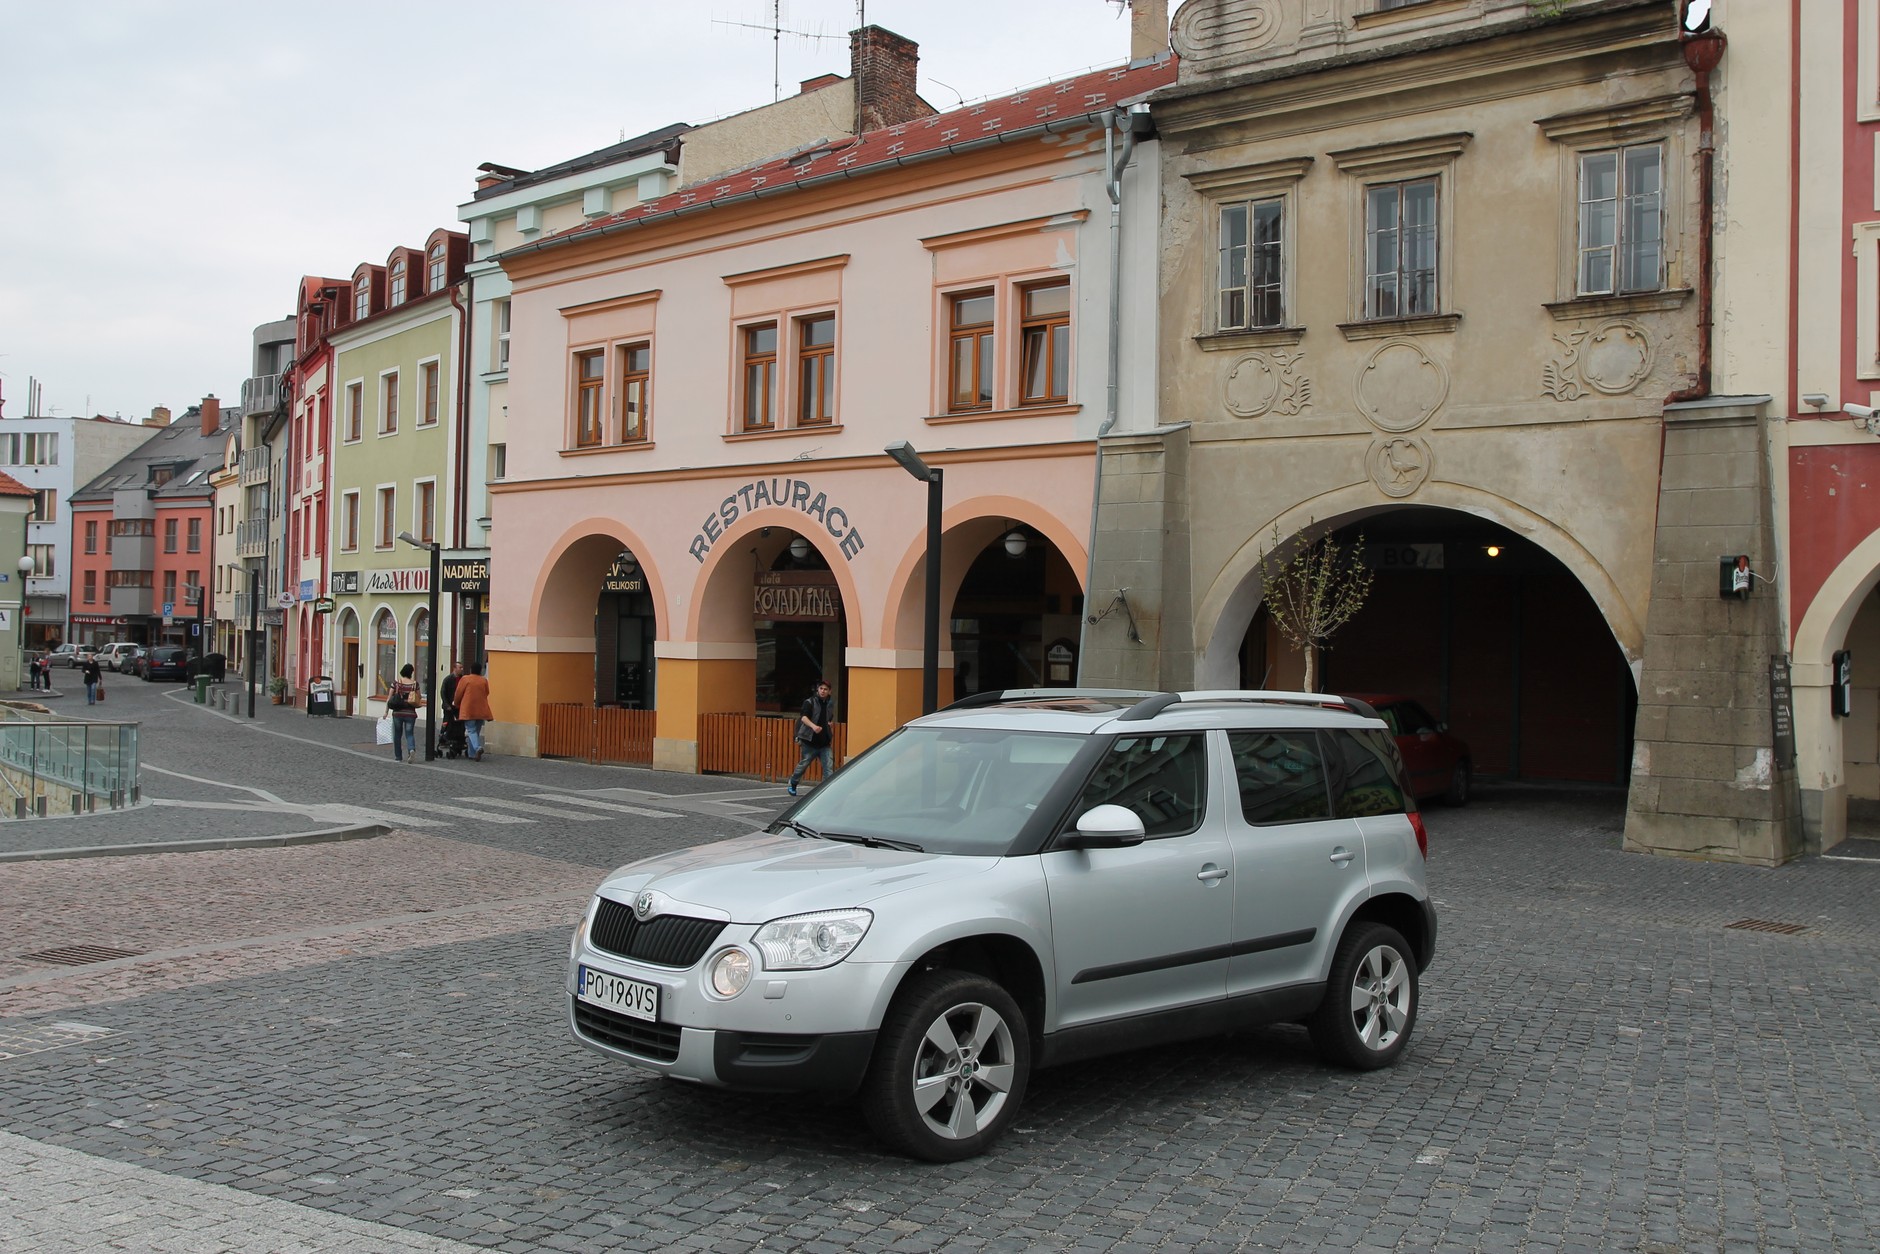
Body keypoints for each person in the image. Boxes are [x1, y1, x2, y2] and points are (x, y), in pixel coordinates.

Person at [786, 679, 835, 797]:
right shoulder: (810, 702)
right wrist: (813, 726)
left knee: (829, 767)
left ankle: (826, 791)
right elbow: (803, 717)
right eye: (821, 689)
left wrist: (829, 723)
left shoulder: (830, 704)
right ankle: (793, 782)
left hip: (824, 743)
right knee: (804, 764)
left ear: (829, 691)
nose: (823, 691)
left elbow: (829, 717)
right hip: (809, 741)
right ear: (817, 690)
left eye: (825, 689)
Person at [454, 661, 493, 762]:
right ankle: (472, 754)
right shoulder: (484, 681)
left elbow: (458, 693)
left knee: (471, 730)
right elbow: (487, 692)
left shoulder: (465, 679)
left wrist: (456, 703)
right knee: (476, 731)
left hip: (468, 709)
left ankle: (477, 748)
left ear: (471, 670)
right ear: (480, 671)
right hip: (481, 709)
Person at [387, 663, 422, 763]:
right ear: (411, 672)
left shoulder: (396, 683)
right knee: (409, 734)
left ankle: (398, 756)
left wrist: (386, 712)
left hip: (397, 713)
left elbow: (389, 698)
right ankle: (411, 750)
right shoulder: (415, 684)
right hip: (410, 713)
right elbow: (419, 697)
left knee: (397, 734)